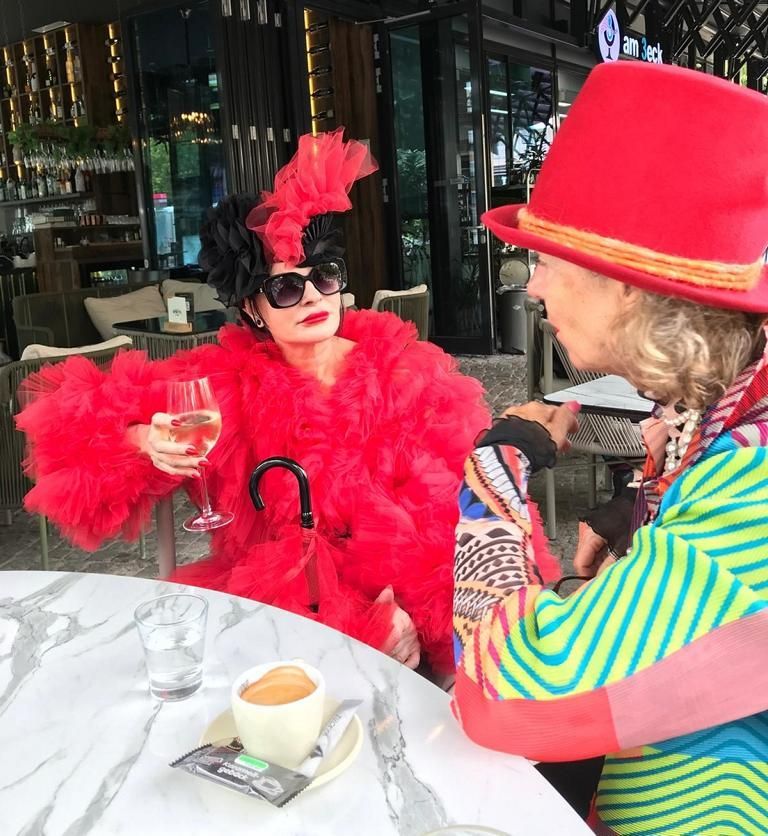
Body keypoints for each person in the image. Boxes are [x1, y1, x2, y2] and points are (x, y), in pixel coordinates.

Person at [17, 129, 494, 675]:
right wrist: (141, 439)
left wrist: (404, 610)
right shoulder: (219, 383)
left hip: (409, 592)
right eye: (285, 288)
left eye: (324, 276)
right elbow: (71, 435)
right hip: (284, 604)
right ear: (251, 310)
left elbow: (462, 505)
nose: (312, 295)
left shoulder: (408, 371)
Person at [451, 62, 768, 834]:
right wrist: (639, 518)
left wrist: (495, 470)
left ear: (627, 284)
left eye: (549, 262)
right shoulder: (731, 410)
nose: (532, 288)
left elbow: (512, 690)